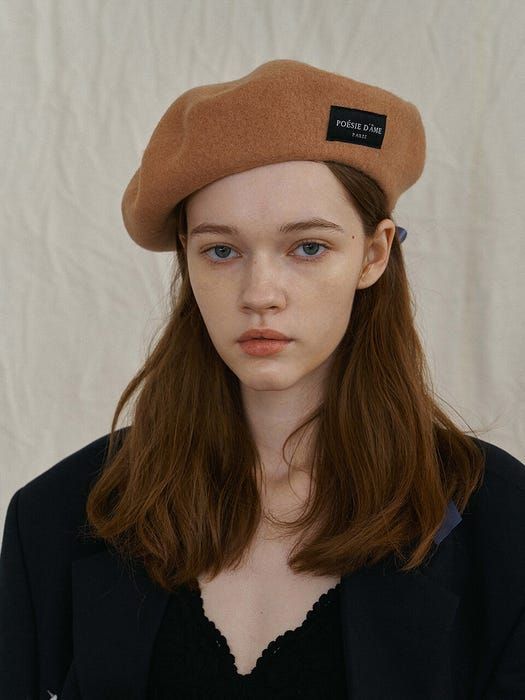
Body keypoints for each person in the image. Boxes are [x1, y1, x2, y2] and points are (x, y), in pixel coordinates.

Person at [1, 58, 524, 700]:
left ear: (375, 253)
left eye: (308, 247)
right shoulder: (55, 517)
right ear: (188, 260)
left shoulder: (502, 522)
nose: (260, 294)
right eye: (222, 250)